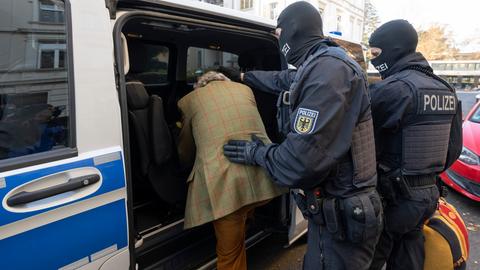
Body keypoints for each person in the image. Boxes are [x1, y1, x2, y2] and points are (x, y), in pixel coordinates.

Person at [222, 2, 382, 269]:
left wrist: (257, 153)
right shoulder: (318, 64)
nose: (278, 39)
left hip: (343, 213)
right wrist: (243, 76)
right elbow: (283, 80)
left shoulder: (329, 72)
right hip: (334, 211)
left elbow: (298, 162)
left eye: (278, 33)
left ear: (292, 31)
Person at [367, 20, 461, 270]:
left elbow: (363, 148)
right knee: (409, 257)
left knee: (368, 259)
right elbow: (453, 150)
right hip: (427, 196)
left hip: (393, 197)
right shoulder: (446, 89)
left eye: (376, 53)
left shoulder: (392, 89)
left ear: (393, 49)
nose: (373, 60)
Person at [176, 71, 285, 270]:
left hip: (227, 190)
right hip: (264, 180)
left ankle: (240, 227)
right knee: (242, 219)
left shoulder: (189, 101)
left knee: (229, 255)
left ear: (200, 87)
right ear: (226, 83)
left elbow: (185, 150)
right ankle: (245, 221)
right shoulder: (245, 90)